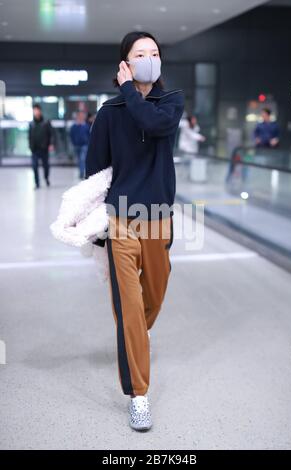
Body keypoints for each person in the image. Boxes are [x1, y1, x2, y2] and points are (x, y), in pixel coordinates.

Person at [85, 31, 185, 431]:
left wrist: (130, 89)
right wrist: (96, 224)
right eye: (140, 54)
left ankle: (133, 342)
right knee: (129, 306)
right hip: (121, 219)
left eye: (155, 53)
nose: (149, 59)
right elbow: (95, 169)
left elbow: (150, 122)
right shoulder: (109, 112)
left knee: (153, 298)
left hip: (158, 217)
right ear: (124, 62)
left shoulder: (170, 102)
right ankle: (138, 394)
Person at [28, 104, 55, 189]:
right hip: (34, 149)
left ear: (40, 111)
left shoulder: (46, 122)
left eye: (37, 110)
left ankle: (46, 178)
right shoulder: (31, 124)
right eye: (34, 110)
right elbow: (29, 136)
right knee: (34, 166)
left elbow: (52, 134)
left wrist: (51, 144)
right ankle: (37, 183)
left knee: (46, 166)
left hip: (44, 148)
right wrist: (30, 145)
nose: (36, 112)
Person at [70, 110, 90, 179]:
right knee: (79, 160)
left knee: (82, 159)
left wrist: (88, 142)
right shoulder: (74, 126)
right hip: (76, 145)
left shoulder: (86, 126)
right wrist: (73, 142)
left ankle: (81, 173)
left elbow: (89, 135)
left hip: (84, 145)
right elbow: (71, 135)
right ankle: (80, 171)